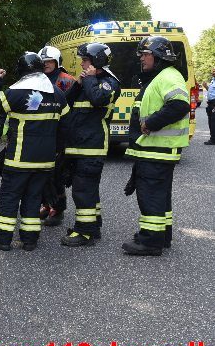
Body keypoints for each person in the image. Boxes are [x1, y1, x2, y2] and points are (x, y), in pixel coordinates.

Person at [0, 52, 69, 251]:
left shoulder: (16, 93)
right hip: (45, 162)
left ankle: (2, 239)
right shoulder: (57, 94)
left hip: (19, 160)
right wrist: (58, 151)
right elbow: (65, 126)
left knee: (10, 198)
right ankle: (30, 240)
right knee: (33, 198)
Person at [122, 36, 190, 256]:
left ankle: (150, 242)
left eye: (145, 54)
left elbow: (179, 105)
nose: (142, 58)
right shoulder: (160, 76)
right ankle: (162, 235)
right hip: (155, 149)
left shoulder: (168, 76)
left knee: (150, 195)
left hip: (157, 149)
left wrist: (150, 123)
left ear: (158, 56)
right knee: (159, 195)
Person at [59, 42, 121, 246]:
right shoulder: (88, 81)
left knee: (82, 189)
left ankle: (84, 232)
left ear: (97, 61)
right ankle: (94, 226)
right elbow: (65, 102)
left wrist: (91, 78)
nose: (82, 64)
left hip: (92, 146)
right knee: (88, 189)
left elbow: (97, 99)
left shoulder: (109, 83)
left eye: (85, 60)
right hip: (79, 145)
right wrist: (78, 83)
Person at [38, 45, 76, 225]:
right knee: (40, 173)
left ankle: (58, 209)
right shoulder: (37, 80)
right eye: (43, 61)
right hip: (41, 133)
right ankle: (46, 204)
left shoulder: (67, 81)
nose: (46, 64)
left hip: (60, 133)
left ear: (57, 62)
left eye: (49, 61)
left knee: (56, 175)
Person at [204, 67, 215, 145]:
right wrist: (206, 87)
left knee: (213, 122)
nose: (213, 73)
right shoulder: (213, 81)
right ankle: (212, 138)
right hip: (210, 103)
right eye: (213, 71)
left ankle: (213, 140)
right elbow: (212, 93)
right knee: (210, 122)